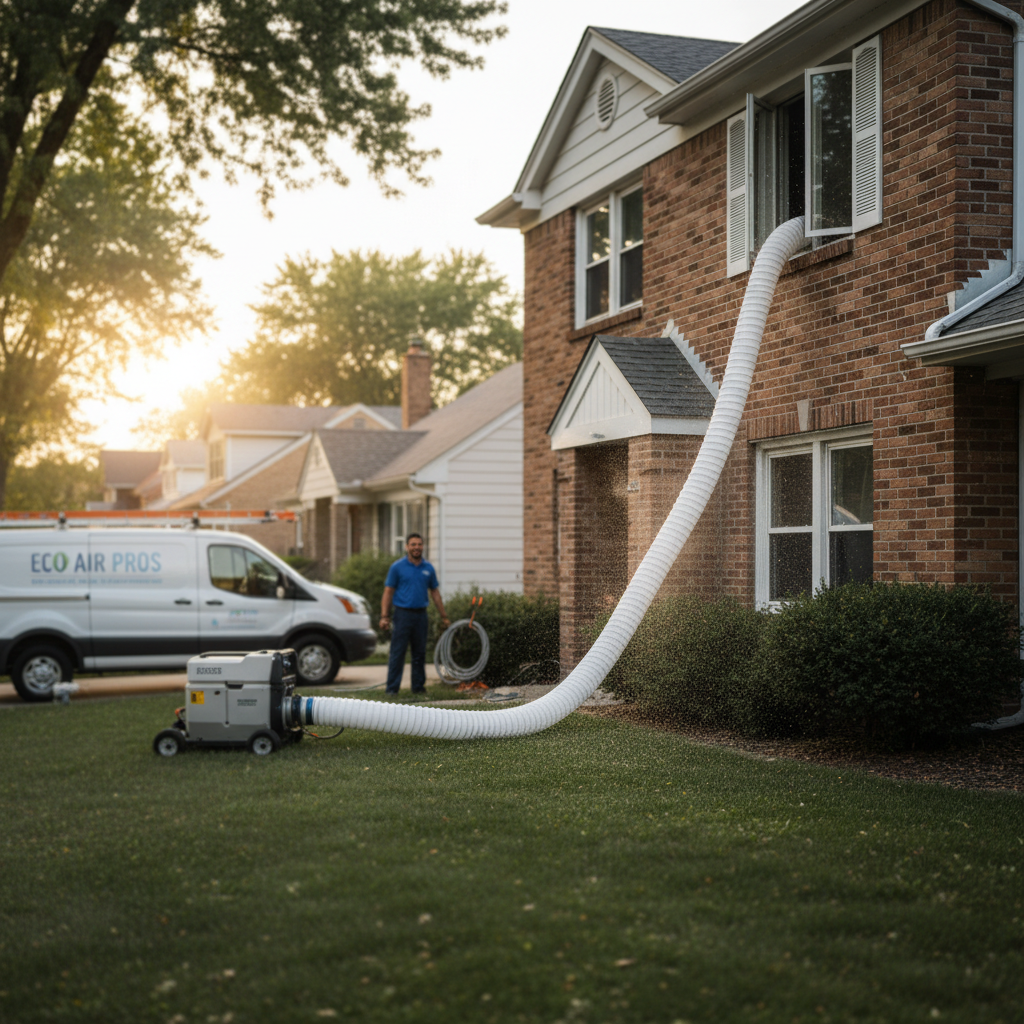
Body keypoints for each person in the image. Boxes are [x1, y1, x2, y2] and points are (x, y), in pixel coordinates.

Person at [380, 533, 449, 696]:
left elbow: (435, 593)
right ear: (407, 547)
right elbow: (388, 592)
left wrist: (444, 616)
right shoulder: (397, 567)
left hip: (421, 615)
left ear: (423, 547)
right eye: (413, 544)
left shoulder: (428, 568)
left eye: (419, 544)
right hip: (402, 615)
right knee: (398, 652)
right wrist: (384, 616)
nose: (416, 547)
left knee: (419, 653)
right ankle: (392, 689)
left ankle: (418, 687)